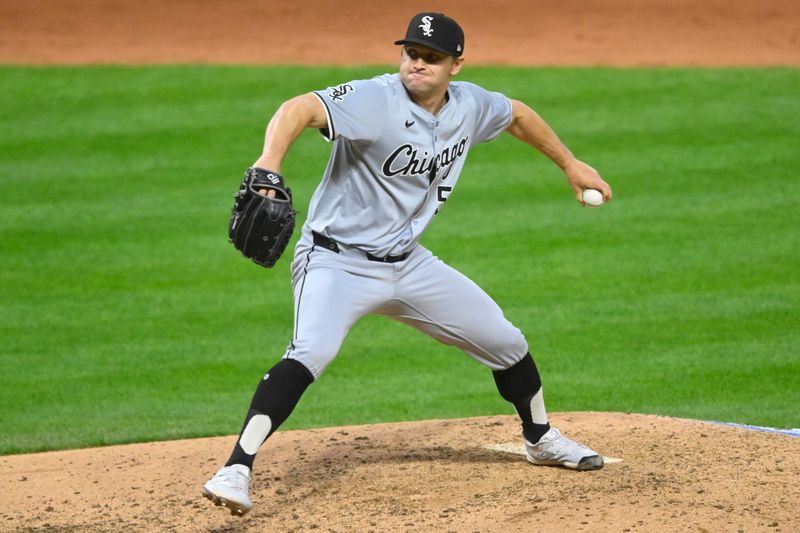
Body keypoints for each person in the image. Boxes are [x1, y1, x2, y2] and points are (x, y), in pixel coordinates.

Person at [203, 12, 613, 516]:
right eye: (411, 53)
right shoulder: (375, 99)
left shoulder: (470, 106)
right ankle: (236, 468)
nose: (417, 64)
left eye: (431, 58)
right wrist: (269, 162)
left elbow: (518, 115)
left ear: (456, 65)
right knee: (310, 352)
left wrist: (570, 163)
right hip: (336, 262)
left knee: (505, 341)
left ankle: (540, 438)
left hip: (409, 264)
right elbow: (300, 108)